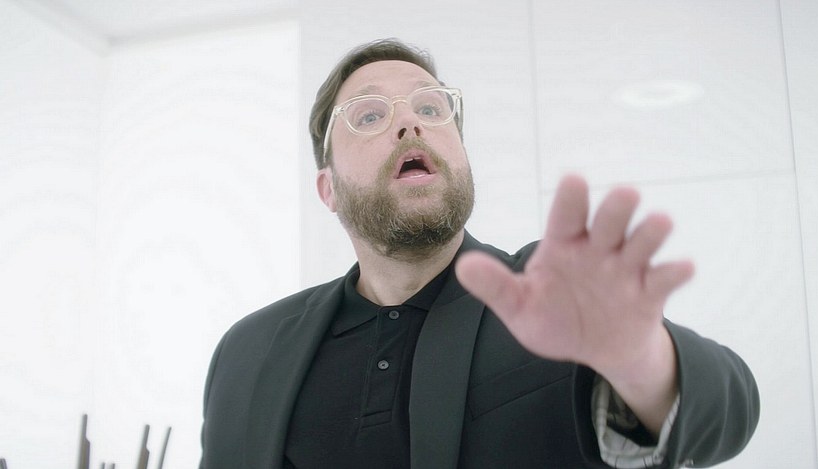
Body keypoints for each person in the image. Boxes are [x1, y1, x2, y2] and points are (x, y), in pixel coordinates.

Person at [200, 38, 759, 468]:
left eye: (431, 108)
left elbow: (728, 416)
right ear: (329, 189)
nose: (409, 123)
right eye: (369, 116)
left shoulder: (551, 294)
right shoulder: (247, 351)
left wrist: (639, 360)